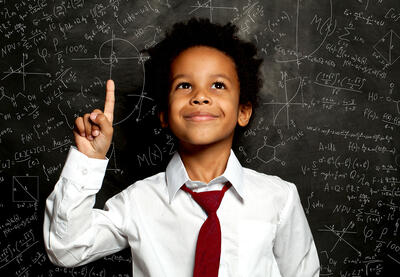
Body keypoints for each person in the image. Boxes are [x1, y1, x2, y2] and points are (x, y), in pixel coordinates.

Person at [43, 18, 320, 277]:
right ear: (164, 114)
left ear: (243, 111)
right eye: (185, 85)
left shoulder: (279, 199)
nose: (200, 96)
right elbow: (66, 249)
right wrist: (88, 161)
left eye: (218, 85)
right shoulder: (139, 202)